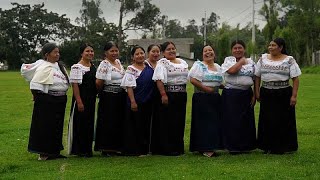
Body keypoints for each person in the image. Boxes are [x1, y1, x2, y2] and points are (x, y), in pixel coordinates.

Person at [21, 43, 69, 160]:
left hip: (60, 99)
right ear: (47, 55)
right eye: (55, 52)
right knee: (45, 126)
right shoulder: (44, 66)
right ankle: (43, 153)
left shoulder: (59, 66)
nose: (58, 54)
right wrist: (36, 96)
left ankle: (54, 151)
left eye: (58, 52)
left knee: (56, 127)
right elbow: (34, 85)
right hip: (47, 100)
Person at [255, 38, 301, 154]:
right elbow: (257, 76)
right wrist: (257, 92)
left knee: (283, 120)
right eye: (270, 45)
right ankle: (267, 146)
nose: (270, 47)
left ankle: (283, 147)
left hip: (284, 93)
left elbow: (295, 79)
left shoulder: (289, 60)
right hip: (267, 92)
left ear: (280, 47)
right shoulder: (263, 59)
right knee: (267, 120)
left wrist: (294, 96)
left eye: (274, 45)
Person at [151, 41, 189, 156]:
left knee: (179, 121)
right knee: (168, 122)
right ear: (163, 52)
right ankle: (167, 148)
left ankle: (178, 147)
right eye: (168, 49)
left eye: (173, 48)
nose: (171, 51)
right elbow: (158, 79)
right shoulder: (162, 63)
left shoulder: (182, 62)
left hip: (181, 95)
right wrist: (163, 94)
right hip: (168, 95)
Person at [221, 40, 256, 154]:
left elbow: (256, 78)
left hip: (246, 94)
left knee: (246, 120)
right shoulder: (228, 60)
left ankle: (246, 146)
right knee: (232, 120)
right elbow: (232, 71)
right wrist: (241, 61)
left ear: (244, 49)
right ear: (232, 50)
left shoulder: (251, 62)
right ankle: (233, 147)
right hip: (231, 94)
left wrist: (255, 95)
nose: (237, 50)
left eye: (240, 47)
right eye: (235, 48)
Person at [188, 45, 224, 157]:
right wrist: (207, 89)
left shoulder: (218, 67)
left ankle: (212, 146)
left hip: (215, 98)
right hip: (202, 97)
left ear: (214, 53)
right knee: (204, 123)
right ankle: (205, 148)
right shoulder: (199, 65)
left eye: (210, 50)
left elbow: (222, 82)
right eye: (205, 51)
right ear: (202, 54)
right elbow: (193, 80)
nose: (208, 52)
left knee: (214, 123)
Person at [120, 46, 155, 156]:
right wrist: (133, 101)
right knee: (136, 126)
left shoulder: (149, 67)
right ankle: (135, 150)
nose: (140, 56)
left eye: (141, 53)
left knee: (146, 125)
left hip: (148, 101)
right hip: (136, 101)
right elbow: (129, 87)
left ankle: (146, 148)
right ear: (133, 57)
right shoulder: (131, 69)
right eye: (137, 54)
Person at [94, 41, 126, 155]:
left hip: (120, 96)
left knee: (117, 121)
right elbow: (98, 82)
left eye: (116, 50)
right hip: (109, 96)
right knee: (108, 121)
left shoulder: (118, 62)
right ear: (106, 53)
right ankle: (106, 148)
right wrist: (102, 93)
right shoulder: (104, 64)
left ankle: (116, 146)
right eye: (111, 51)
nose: (114, 53)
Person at [67, 43, 97, 157]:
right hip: (81, 99)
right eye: (87, 51)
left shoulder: (93, 66)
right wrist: (79, 101)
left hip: (91, 99)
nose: (90, 53)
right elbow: (75, 86)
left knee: (89, 123)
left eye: (91, 51)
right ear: (81, 53)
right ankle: (79, 149)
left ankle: (88, 149)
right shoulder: (77, 67)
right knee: (80, 123)